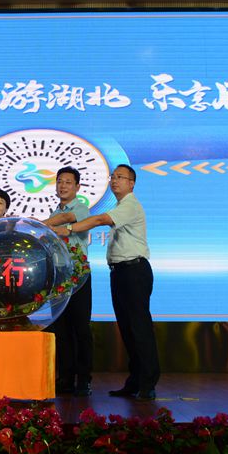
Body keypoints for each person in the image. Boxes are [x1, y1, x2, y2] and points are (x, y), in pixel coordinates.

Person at [52, 164, 159, 401]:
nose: (115, 180)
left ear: (131, 183)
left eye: (120, 177)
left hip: (134, 271)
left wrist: (68, 229)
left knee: (139, 328)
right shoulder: (120, 206)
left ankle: (148, 383)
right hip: (120, 272)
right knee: (127, 328)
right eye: (113, 177)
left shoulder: (130, 205)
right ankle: (135, 381)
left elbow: (99, 219)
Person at [43, 167, 93, 396]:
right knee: (61, 329)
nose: (63, 186)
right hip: (58, 276)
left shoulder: (80, 208)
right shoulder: (54, 211)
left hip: (78, 275)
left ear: (77, 187)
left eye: (68, 182)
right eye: (59, 181)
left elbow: (66, 219)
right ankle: (65, 378)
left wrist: (39, 224)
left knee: (80, 328)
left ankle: (84, 379)